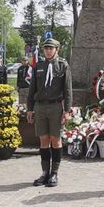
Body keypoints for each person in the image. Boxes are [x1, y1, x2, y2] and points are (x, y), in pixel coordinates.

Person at [26, 38, 72, 188]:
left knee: (56, 140)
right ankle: (45, 173)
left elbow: (68, 90)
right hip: (40, 107)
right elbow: (32, 89)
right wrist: (30, 108)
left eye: (51, 48)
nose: (48, 51)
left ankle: (54, 173)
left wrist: (67, 111)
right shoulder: (38, 66)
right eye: (46, 48)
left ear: (56, 49)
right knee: (44, 140)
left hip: (55, 107)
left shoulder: (63, 65)